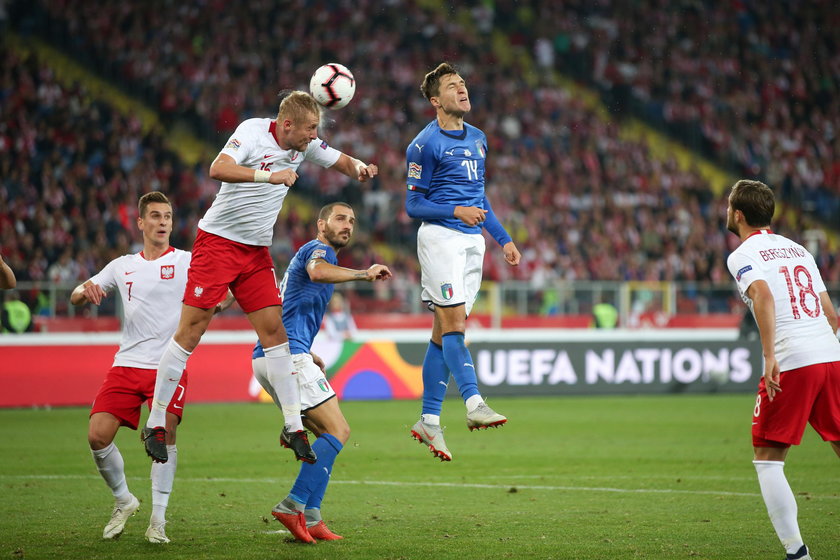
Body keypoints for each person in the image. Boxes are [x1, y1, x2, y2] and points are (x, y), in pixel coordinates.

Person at [141, 91, 378, 466]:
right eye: (310, 129)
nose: (314, 136)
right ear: (287, 125)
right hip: (218, 243)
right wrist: (270, 176)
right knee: (191, 331)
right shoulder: (252, 131)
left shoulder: (306, 144)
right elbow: (217, 168)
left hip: (254, 251)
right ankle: (155, 423)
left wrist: (362, 167)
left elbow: (340, 161)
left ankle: (292, 426)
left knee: (275, 335)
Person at [251, 202, 391, 543]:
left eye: (352, 221)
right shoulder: (318, 251)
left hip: (273, 356)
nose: (347, 225)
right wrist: (362, 273)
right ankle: (294, 505)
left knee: (325, 435)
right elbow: (317, 271)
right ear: (321, 223)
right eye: (340, 218)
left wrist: (307, 349)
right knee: (339, 430)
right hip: (287, 359)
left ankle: (311, 517)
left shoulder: (317, 255)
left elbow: (288, 305)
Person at [404, 62, 521, 461]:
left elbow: (479, 197)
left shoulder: (478, 138)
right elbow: (413, 204)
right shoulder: (423, 145)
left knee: (443, 332)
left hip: (473, 243)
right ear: (436, 100)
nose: (463, 89)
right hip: (440, 239)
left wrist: (503, 239)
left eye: (464, 83)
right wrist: (456, 212)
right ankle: (474, 404)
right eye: (453, 86)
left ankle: (429, 420)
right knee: (455, 325)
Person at [725, 179, 840, 560]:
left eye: (729, 207)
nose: (727, 212)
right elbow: (830, 313)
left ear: (738, 215)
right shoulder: (799, 249)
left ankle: (797, 554)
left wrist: (770, 355)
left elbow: (763, 294)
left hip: (793, 360)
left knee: (767, 458)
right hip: (830, 355)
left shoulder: (743, 253)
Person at [70, 192, 192, 544]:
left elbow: (218, 292)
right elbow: (79, 293)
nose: (163, 222)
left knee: (164, 435)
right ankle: (124, 500)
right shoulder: (122, 266)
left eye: (167, 216)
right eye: (155, 216)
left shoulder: (186, 261)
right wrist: (85, 291)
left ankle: (158, 519)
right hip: (127, 363)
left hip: (169, 364)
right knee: (97, 436)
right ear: (140, 223)